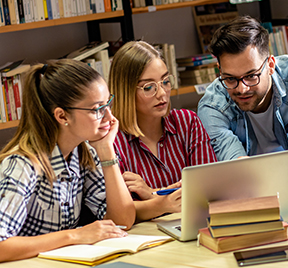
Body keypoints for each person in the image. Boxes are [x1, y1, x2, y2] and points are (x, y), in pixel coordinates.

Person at [0, 59, 136, 262]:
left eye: (108, 103)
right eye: (97, 109)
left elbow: (122, 221)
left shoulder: (83, 152)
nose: (109, 117)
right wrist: (74, 236)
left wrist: (106, 150)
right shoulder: (22, 165)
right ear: (62, 116)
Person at [109, 41, 217, 223]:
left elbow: (209, 190)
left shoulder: (187, 122)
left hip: (192, 227)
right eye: (148, 87)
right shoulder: (113, 142)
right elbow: (120, 213)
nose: (162, 93)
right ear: (125, 91)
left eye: (165, 82)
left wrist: (152, 194)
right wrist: (163, 203)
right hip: (145, 241)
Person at [197, 15, 288, 161]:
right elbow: (238, 165)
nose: (242, 89)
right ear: (220, 71)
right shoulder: (212, 107)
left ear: (270, 65)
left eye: (251, 76)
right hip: (250, 181)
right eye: (230, 78)